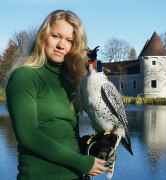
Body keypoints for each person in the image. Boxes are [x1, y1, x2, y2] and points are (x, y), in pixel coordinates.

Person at [5, 10, 109, 179]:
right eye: (56, 36)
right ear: (42, 36)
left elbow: (65, 133)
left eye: (69, 40)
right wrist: (81, 163)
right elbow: (28, 136)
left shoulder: (68, 80)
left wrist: (91, 145)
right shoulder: (25, 76)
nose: (62, 45)